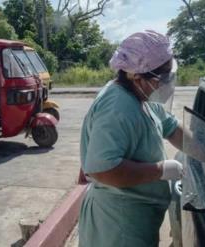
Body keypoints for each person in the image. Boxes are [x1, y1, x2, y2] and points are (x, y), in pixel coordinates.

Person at [79, 30, 187, 247]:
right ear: (136, 74)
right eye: (163, 77)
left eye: (170, 75)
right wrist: (161, 170)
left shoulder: (144, 96)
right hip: (119, 225)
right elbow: (102, 170)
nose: (167, 83)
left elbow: (172, 128)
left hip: (137, 217)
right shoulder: (117, 107)